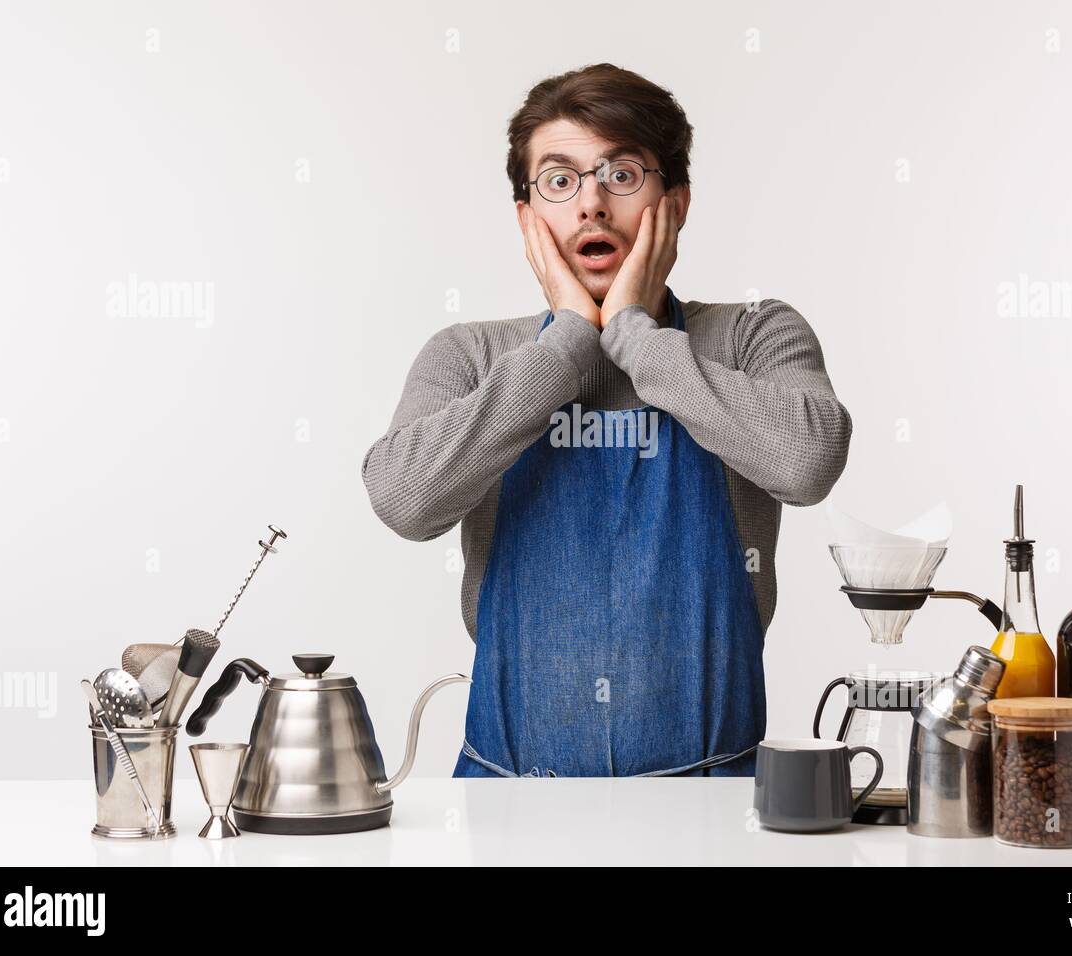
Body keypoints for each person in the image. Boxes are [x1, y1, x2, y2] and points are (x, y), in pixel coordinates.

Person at [362, 63, 852, 778]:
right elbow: (404, 501)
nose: (591, 204)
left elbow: (807, 464)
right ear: (528, 218)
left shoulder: (754, 335)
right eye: (559, 181)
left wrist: (636, 336)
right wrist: (564, 342)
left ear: (675, 203)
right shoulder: (470, 354)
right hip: (510, 796)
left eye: (621, 175)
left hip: (714, 797)